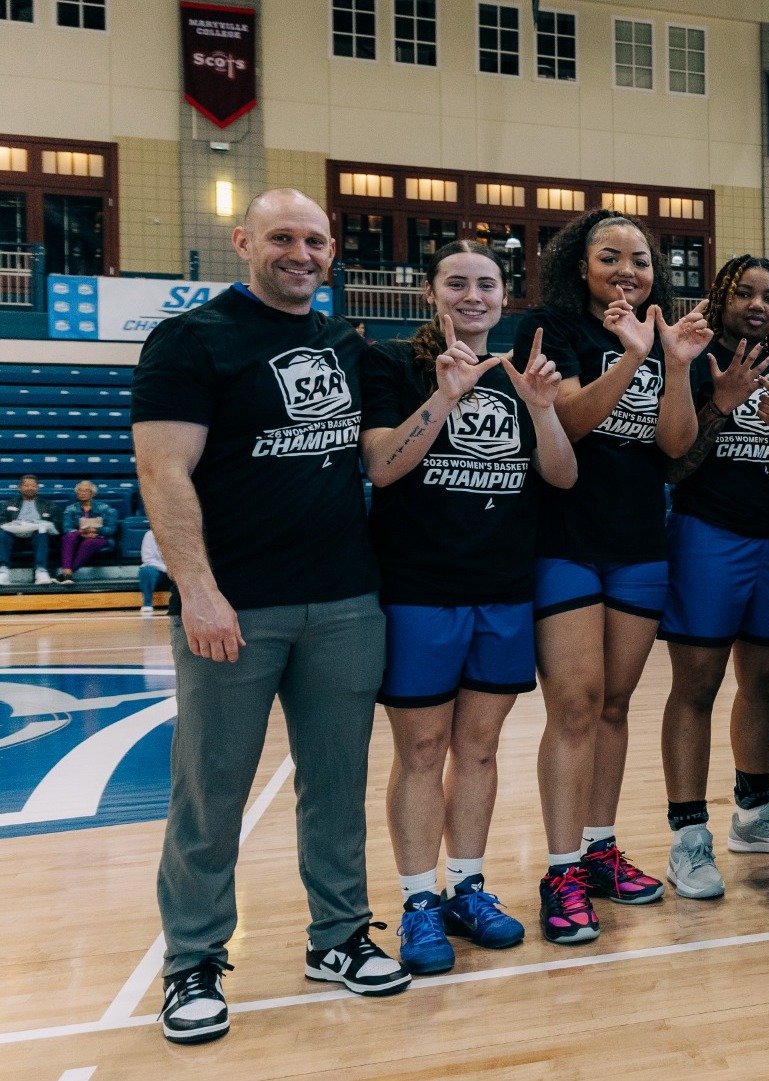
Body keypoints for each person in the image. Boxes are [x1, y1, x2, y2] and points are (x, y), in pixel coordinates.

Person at [134, 188, 407, 1045]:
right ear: (243, 241)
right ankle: (194, 960)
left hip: (344, 601)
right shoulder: (192, 339)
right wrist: (199, 588)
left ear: (332, 254)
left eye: (316, 240)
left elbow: (381, 461)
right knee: (209, 792)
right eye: (283, 237)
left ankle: (338, 937)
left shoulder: (343, 345)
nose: (301, 252)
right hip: (235, 606)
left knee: (336, 786)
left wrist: (442, 399)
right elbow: (163, 472)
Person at [362, 241, 577, 974]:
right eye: (457, 282)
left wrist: (544, 408)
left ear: (505, 297)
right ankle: (419, 899)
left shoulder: (521, 374)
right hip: (420, 588)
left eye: (487, 283)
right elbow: (383, 466)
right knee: (421, 750)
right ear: (433, 292)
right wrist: (445, 395)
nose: (474, 294)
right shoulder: (394, 364)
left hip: (503, 589)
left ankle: (466, 885)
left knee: (479, 749)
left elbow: (562, 474)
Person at [515, 208, 706, 936]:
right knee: (573, 705)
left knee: (616, 705)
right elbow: (566, 423)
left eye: (641, 259)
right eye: (610, 256)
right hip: (564, 539)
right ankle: (561, 868)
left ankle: (599, 848)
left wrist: (676, 366)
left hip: (638, 542)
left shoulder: (665, 339)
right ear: (581, 265)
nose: (627, 269)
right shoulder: (553, 330)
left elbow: (675, 443)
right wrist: (629, 359)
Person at [657, 254, 769, 898]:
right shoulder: (691, 365)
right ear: (721, 299)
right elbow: (674, 467)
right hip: (707, 537)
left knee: (765, 681)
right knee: (697, 683)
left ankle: (753, 813)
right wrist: (721, 404)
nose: (757, 305)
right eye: (744, 293)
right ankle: (687, 833)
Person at [54, 479, 118, 583]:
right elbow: (67, 528)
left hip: (99, 537)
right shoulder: (70, 509)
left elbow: (111, 529)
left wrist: (96, 530)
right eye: (80, 491)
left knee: (89, 542)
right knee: (68, 537)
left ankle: (66, 574)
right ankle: (67, 572)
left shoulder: (105, 508)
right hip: (78, 536)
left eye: (86, 491)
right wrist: (82, 533)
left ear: (93, 493)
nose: (82, 493)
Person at [2, 474, 60, 584]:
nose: (29, 488)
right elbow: (1, 519)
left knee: (41, 531)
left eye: (33, 486)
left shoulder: (48, 504)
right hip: (14, 536)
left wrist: (43, 525)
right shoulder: (8, 504)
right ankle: (3, 570)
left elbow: (57, 522)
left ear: (38, 487)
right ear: (19, 487)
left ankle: (41, 570)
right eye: (26, 485)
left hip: (38, 536)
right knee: (3, 533)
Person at [138, 527, 170, 615]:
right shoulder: (150, 535)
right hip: (161, 571)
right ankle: (147, 603)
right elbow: (147, 559)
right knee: (146, 571)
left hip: (179, 572)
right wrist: (167, 569)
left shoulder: (182, 534)